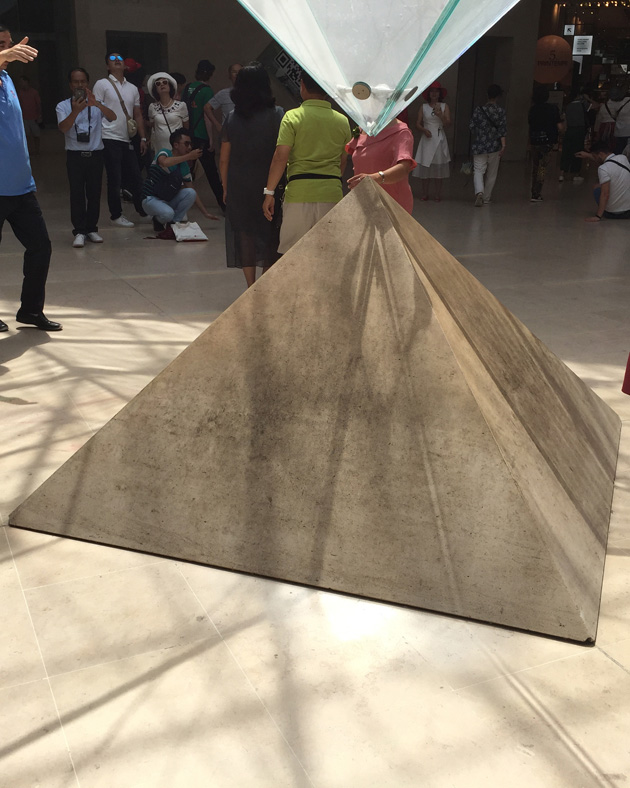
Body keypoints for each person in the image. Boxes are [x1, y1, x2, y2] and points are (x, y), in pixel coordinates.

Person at [0, 27, 61, 332]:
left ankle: (31, 311)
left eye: (9, 44)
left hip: (21, 188)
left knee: (40, 247)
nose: (10, 50)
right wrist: (5, 55)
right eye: (2, 45)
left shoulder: (8, 79)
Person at [263, 70, 351, 254]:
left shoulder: (292, 117)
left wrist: (269, 192)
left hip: (299, 192)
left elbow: (280, 157)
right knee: (329, 253)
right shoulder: (342, 121)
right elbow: (343, 160)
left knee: (294, 254)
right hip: (331, 192)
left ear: (302, 85)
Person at [219, 61, 284, 287]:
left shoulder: (231, 117)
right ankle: (264, 286)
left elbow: (224, 158)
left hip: (239, 183)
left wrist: (225, 186)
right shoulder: (278, 114)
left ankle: (250, 286)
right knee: (270, 234)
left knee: (244, 235)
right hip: (269, 183)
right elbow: (282, 152)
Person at [56, 68, 117, 248]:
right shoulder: (63, 106)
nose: (80, 85)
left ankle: (92, 228)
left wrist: (96, 104)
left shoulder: (96, 104)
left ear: (87, 84)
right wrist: (75, 111)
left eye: (83, 81)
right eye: (76, 82)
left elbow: (113, 117)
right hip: (75, 156)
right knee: (77, 194)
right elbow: (63, 128)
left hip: (95, 155)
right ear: (70, 85)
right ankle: (79, 231)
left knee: (94, 193)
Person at [93, 52, 148, 227]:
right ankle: (116, 214)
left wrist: (143, 137)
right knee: (114, 177)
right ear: (107, 66)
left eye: (120, 59)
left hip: (127, 138)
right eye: (112, 59)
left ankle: (142, 210)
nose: (117, 61)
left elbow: (137, 114)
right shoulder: (102, 84)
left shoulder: (132, 88)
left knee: (136, 176)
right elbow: (95, 110)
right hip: (108, 136)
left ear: (125, 65)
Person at [141, 127, 219, 235]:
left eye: (190, 144)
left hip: (167, 198)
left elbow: (191, 190)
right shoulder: (164, 153)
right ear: (176, 145)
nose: (189, 147)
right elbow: (164, 163)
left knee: (190, 193)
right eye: (186, 144)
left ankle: (173, 224)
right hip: (150, 199)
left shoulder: (184, 166)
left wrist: (205, 213)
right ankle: (157, 220)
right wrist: (188, 156)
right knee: (168, 214)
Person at [181, 59, 225, 212]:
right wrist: (211, 139)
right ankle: (223, 204)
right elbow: (207, 116)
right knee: (211, 172)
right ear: (210, 74)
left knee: (184, 169)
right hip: (201, 135)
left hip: (187, 135)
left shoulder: (187, 88)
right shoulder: (207, 91)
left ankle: (180, 201)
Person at [346, 119, 416, 212]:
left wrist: (376, 177)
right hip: (366, 200)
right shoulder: (363, 128)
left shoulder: (402, 132)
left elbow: (404, 167)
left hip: (391, 202)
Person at [469, 84, 507, 206]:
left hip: (479, 145)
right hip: (495, 145)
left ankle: (479, 192)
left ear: (487, 94)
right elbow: (502, 130)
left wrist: (480, 133)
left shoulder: (478, 110)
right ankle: (486, 197)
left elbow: (472, 127)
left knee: (478, 170)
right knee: (492, 173)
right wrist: (503, 145)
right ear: (498, 96)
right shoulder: (500, 111)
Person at [412, 81, 451, 201]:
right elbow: (417, 123)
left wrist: (440, 115)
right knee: (425, 166)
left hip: (439, 138)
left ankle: (437, 194)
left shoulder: (444, 106)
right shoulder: (423, 107)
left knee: (438, 166)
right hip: (427, 138)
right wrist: (424, 130)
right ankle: (424, 193)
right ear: (429, 94)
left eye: (436, 91)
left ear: (440, 94)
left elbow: (448, 123)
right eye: (432, 91)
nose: (434, 94)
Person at [576, 141, 630, 221]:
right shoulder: (623, 158)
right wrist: (588, 155)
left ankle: (604, 211)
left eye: (594, 156)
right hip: (628, 211)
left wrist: (598, 216)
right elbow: (607, 161)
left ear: (600, 154)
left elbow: (605, 194)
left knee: (597, 189)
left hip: (613, 214)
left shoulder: (603, 169)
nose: (594, 159)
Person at [528, 85, 564, 202]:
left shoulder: (532, 110)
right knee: (542, 167)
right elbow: (560, 127)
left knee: (535, 166)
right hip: (547, 142)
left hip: (534, 141)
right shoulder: (553, 109)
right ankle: (536, 192)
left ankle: (533, 190)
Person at [147, 72, 189, 155]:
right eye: (158, 84)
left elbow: (186, 128)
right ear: (155, 89)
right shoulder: (152, 107)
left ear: (170, 86)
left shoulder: (181, 105)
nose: (162, 85)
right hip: (160, 147)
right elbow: (153, 126)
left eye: (165, 82)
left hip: (177, 147)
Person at [559, 89, 590, 182]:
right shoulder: (583, 104)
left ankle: (562, 173)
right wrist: (588, 99)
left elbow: (565, 120)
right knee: (578, 150)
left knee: (566, 151)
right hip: (579, 129)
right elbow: (595, 106)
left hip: (570, 129)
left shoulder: (568, 106)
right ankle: (575, 173)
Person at [209, 63, 243, 130]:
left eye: (240, 72)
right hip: (228, 132)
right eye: (234, 72)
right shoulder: (223, 93)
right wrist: (217, 125)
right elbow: (207, 107)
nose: (237, 74)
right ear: (229, 75)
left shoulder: (251, 93)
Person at [16, 75, 41, 155]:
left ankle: (37, 151)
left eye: (22, 81)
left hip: (34, 117)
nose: (21, 83)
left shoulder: (34, 92)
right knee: (26, 136)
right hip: (24, 118)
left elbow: (38, 104)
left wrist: (39, 115)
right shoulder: (20, 93)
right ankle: (29, 151)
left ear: (26, 82)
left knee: (36, 135)